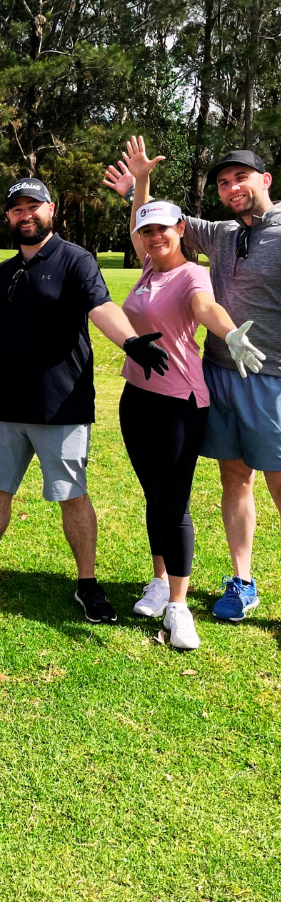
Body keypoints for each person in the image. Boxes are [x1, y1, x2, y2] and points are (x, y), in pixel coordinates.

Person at [0, 177, 171, 622]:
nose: (26, 214)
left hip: (63, 406)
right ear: (8, 217)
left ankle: (87, 585)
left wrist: (130, 343)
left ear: (51, 210)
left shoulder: (75, 260)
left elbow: (101, 307)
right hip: (7, 406)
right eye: (17, 209)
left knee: (73, 497)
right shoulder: (6, 270)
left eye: (35, 206)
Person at [103, 141, 281, 622]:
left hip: (273, 378)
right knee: (235, 479)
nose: (232, 188)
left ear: (265, 180)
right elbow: (153, 230)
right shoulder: (219, 232)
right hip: (219, 374)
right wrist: (139, 183)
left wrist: (228, 330)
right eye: (223, 183)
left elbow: (203, 303)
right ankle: (243, 581)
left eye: (241, 178)